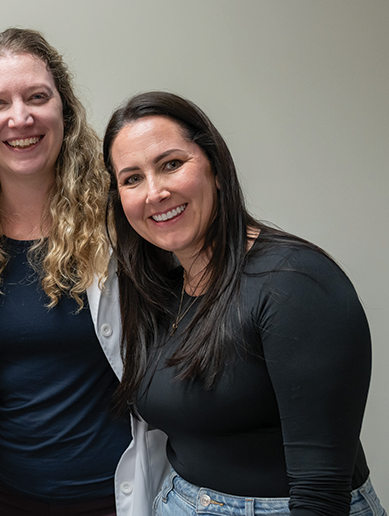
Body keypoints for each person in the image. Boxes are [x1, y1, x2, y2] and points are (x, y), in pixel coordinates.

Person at [103, 91, 385, 516]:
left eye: (171, 164)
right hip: (180, 500)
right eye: (132, 178)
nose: (154, 192)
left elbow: (321, 494)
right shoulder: (159, 288)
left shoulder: (295, 282)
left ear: (215, 168)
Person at [0, 28, 169, 516]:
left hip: (112, 496)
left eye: (37, 97)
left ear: (66, 110)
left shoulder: (124, 219)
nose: (21, 117)